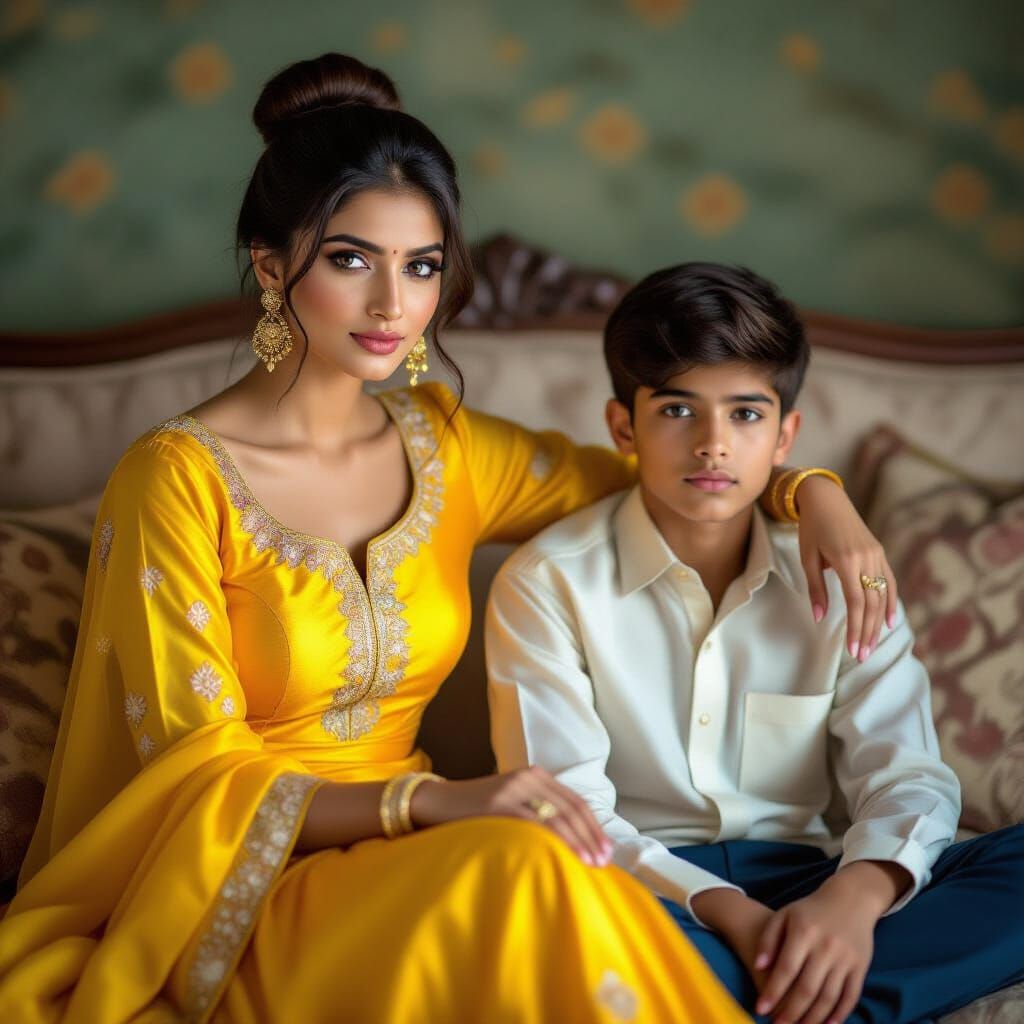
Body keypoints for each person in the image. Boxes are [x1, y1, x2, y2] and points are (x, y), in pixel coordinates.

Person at [0, 55, 892, 1024]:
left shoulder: (446, 446)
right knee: (523, 861)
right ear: (270, 267)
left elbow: (680, 478)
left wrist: (815, 492)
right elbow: (192, 764)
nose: (393, 305)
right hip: (240, 882)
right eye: (351, 260)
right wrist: (426, 802)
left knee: (539, 862)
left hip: (419, 855)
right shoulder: (174, 477)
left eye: (420, 265)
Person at [486, 261, 1024, 1024]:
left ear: (785, 435)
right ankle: (815, 1000)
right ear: (622, 427)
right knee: (541, 916)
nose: (712, 444)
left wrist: (851, 903)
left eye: (744, 414)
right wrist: (737, 918)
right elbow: (568, 812)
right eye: (677, 411)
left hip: (812, 875)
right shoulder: (547, 582)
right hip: (647, 889)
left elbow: (907, 774)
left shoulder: (845, 573)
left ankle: (751, 999)